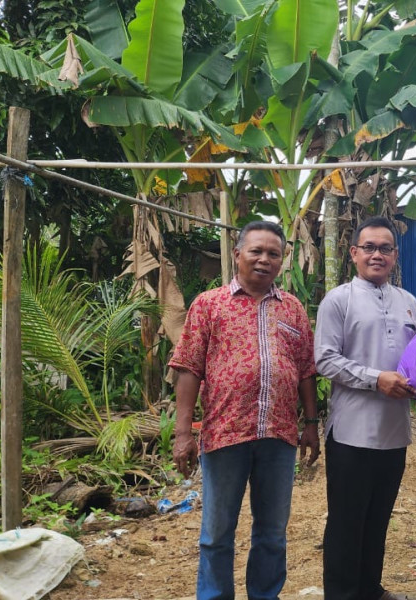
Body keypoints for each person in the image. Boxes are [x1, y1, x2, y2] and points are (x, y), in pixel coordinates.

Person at [169, 221, 320, 600]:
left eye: (274, 253)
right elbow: (188, 367)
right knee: (217, 533)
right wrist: (183, 432)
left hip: (279, 436)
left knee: (271, 533)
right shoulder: (209, 304)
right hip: (225, 434)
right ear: (237, 254)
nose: (264, 259)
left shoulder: (294, 309)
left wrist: (312, 424)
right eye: (256, 251)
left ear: (283, 260)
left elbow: (305, 371)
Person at [315, 216, 416, 600]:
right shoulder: (338, 300)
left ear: (395, 255)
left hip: (395, 432)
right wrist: (376, 378)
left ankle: (369, 590)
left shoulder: (408, 301)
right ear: (355, 253)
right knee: (346, 523)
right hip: (352, 433)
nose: (378, 255)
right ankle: (342, 595)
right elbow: (324, 360)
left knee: (377, 520)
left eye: (386, 248)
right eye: (370, 248)